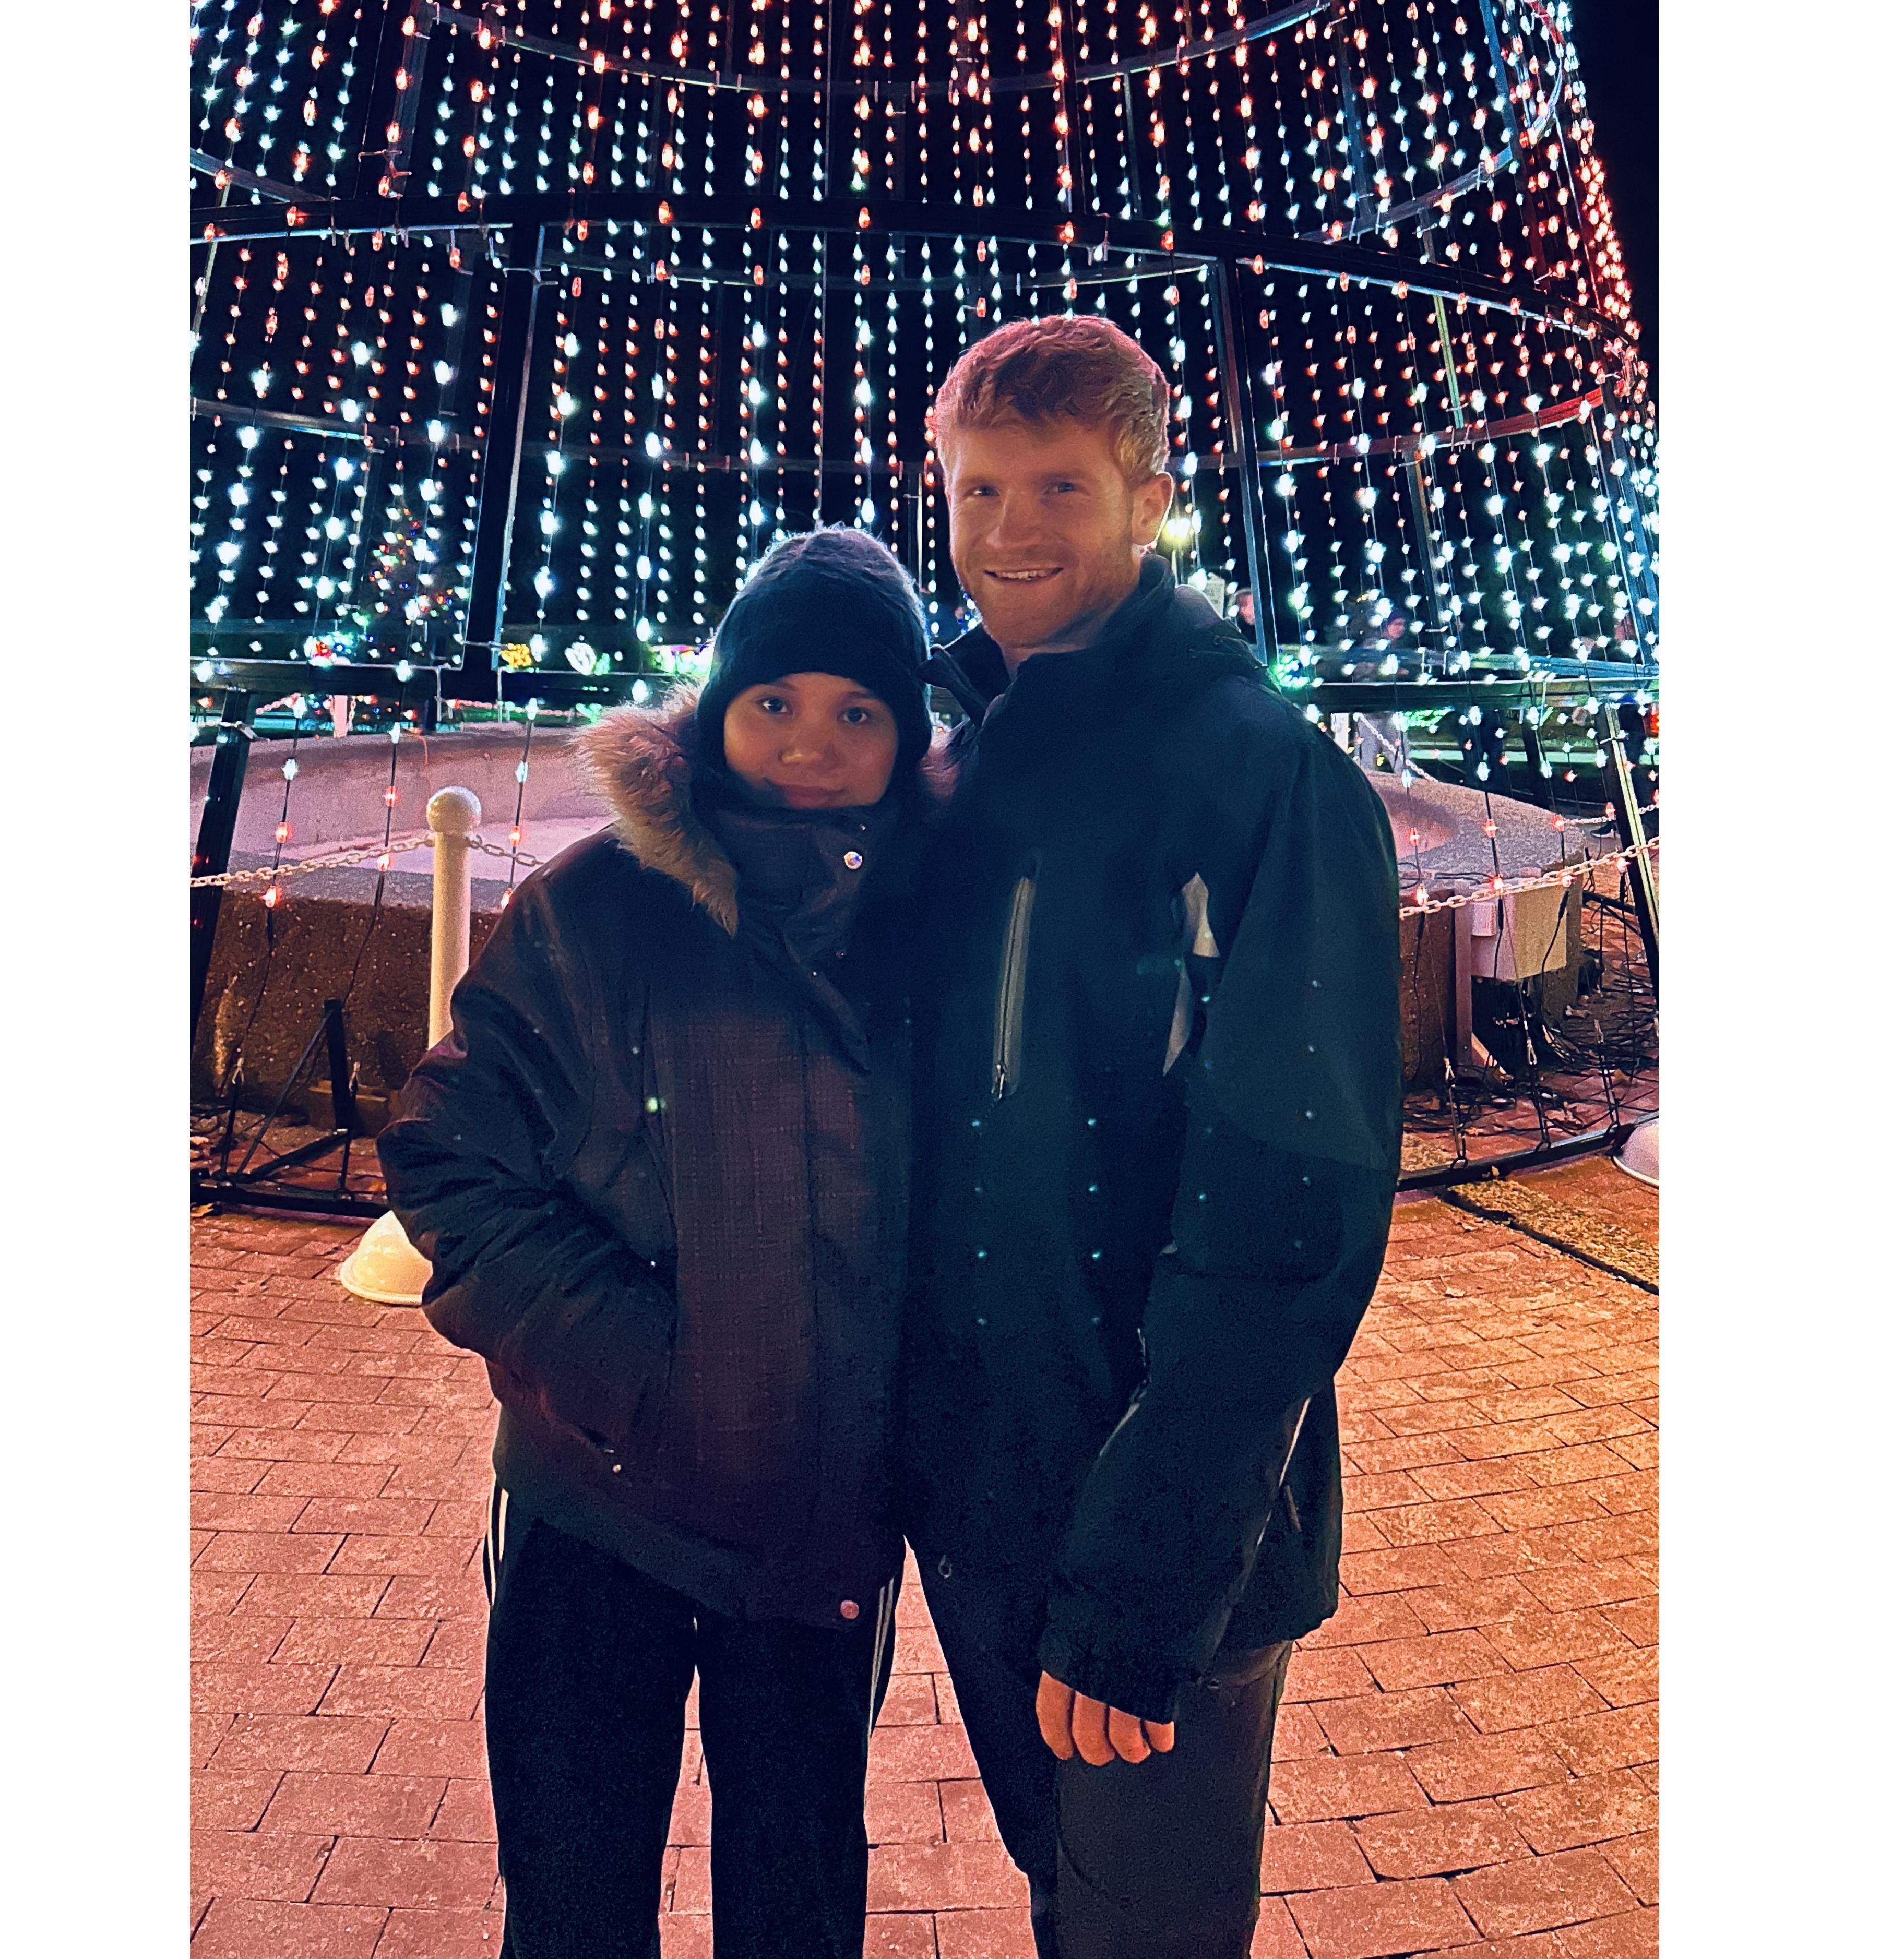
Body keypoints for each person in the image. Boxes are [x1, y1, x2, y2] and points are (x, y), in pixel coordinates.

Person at [903, 314, 1403, 1959]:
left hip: (1154, 1518)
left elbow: (1288, 1212)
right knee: (1072, 1903)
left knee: (1143, 1937)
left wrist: (1143, 1581)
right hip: (979, 1491)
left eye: (1058, 483)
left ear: (1148, 497)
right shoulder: (962, 760)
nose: (1011, 531)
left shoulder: (1265, 782)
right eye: (977, 490)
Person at [378, 528, 944, 1959]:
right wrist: (640, 1365)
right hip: (591, 1497)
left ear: (905, 734)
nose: (809, 742)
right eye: (775, 702)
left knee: (798, 1904)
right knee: (571, 1899)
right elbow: (449, 1156)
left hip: (812, 1527)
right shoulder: (593, 909)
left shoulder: (935, 941)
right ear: (716, 709)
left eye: (856, 709)